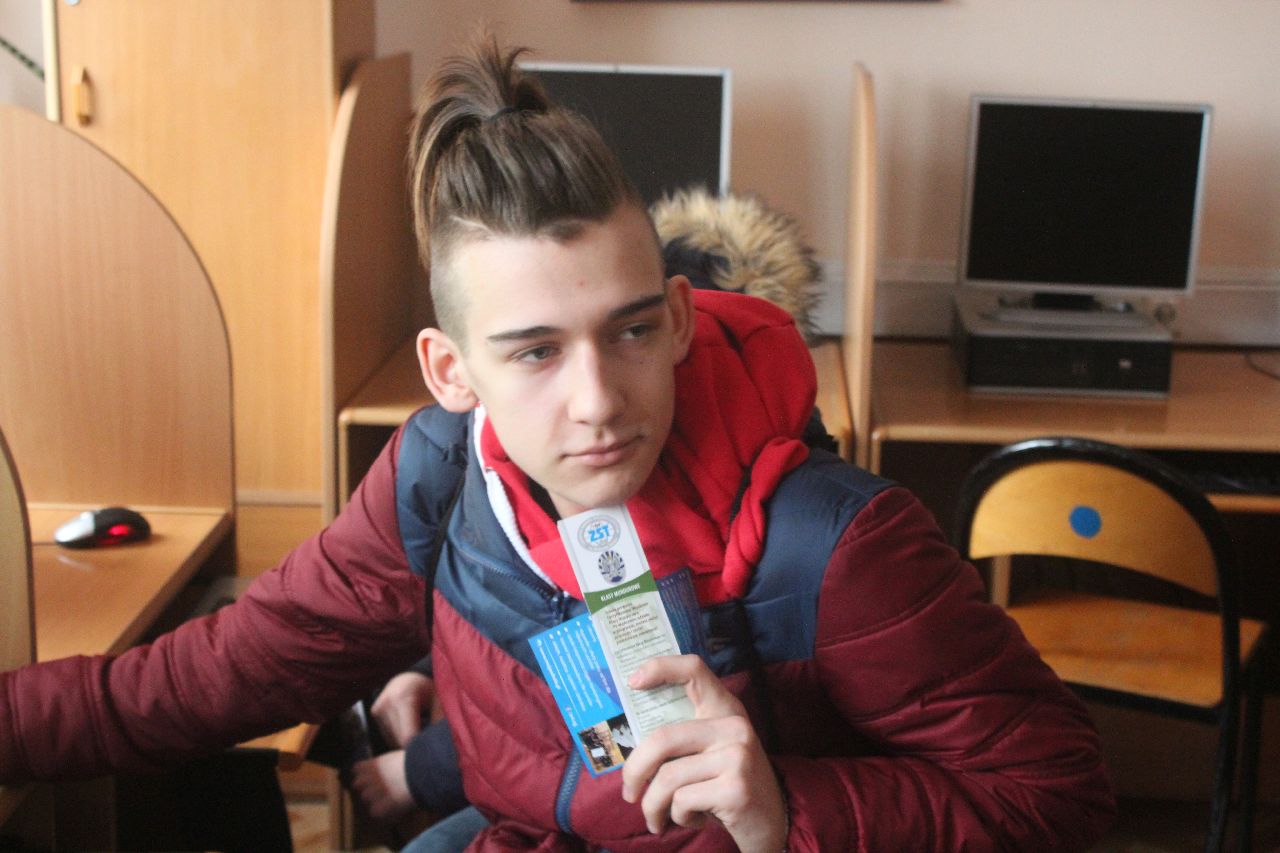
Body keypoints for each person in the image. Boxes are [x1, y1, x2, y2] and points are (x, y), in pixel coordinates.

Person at [0, 34, 1117, 852]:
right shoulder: (437, 482)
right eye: (534, 351)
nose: (599, 401)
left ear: (679, 316)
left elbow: (1059, 795)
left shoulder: (831, 542)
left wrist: (785, 809)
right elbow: (209, 677)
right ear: (451, 374)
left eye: (630, 331)